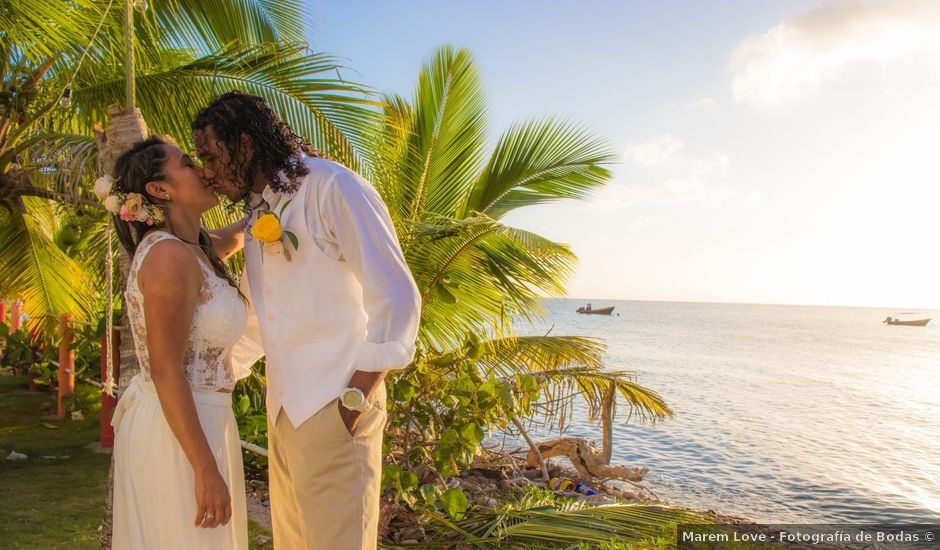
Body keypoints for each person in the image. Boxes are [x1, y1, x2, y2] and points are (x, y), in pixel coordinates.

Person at [192, 91, 421, 549]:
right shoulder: (258, 214)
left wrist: (353, 401)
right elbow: (261, 320)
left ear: (245, 143)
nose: (207, 172)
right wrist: (207, 382)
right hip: (283, 413)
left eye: (210, 156)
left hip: (337, 406)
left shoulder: (332, 186)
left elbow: (396, 294)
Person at [104, 136, 249, 548]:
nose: (204, 170)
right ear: (160, 190)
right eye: (188, 163)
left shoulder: (195, 248)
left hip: (203, 421)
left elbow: (233, 236)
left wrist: (271, 199)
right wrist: (205, 468)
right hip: (181, 433)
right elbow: (165, 367)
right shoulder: (169, 257)